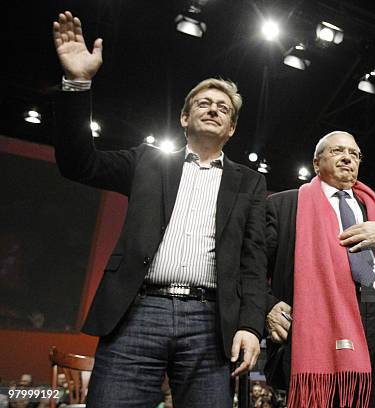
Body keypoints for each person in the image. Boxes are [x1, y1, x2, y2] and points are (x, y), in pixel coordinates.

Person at [51, 11, 268, 407]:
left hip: (209, 322)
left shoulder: (250, 182)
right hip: (136, 313)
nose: (214, 109)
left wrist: (252, 326)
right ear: (185, 117)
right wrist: (78, 83)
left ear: (232, 128)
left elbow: (254, 261)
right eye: (204, 103)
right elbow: (77, 162)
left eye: (224, 107)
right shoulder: (147, 161)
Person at [264, 131, 375, 407]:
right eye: (338, 151)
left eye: (354, 154)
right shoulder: (284, 205)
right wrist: (267, 306)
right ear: (317, 163)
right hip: (317, 329)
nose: (347, 158)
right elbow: (252, 268)